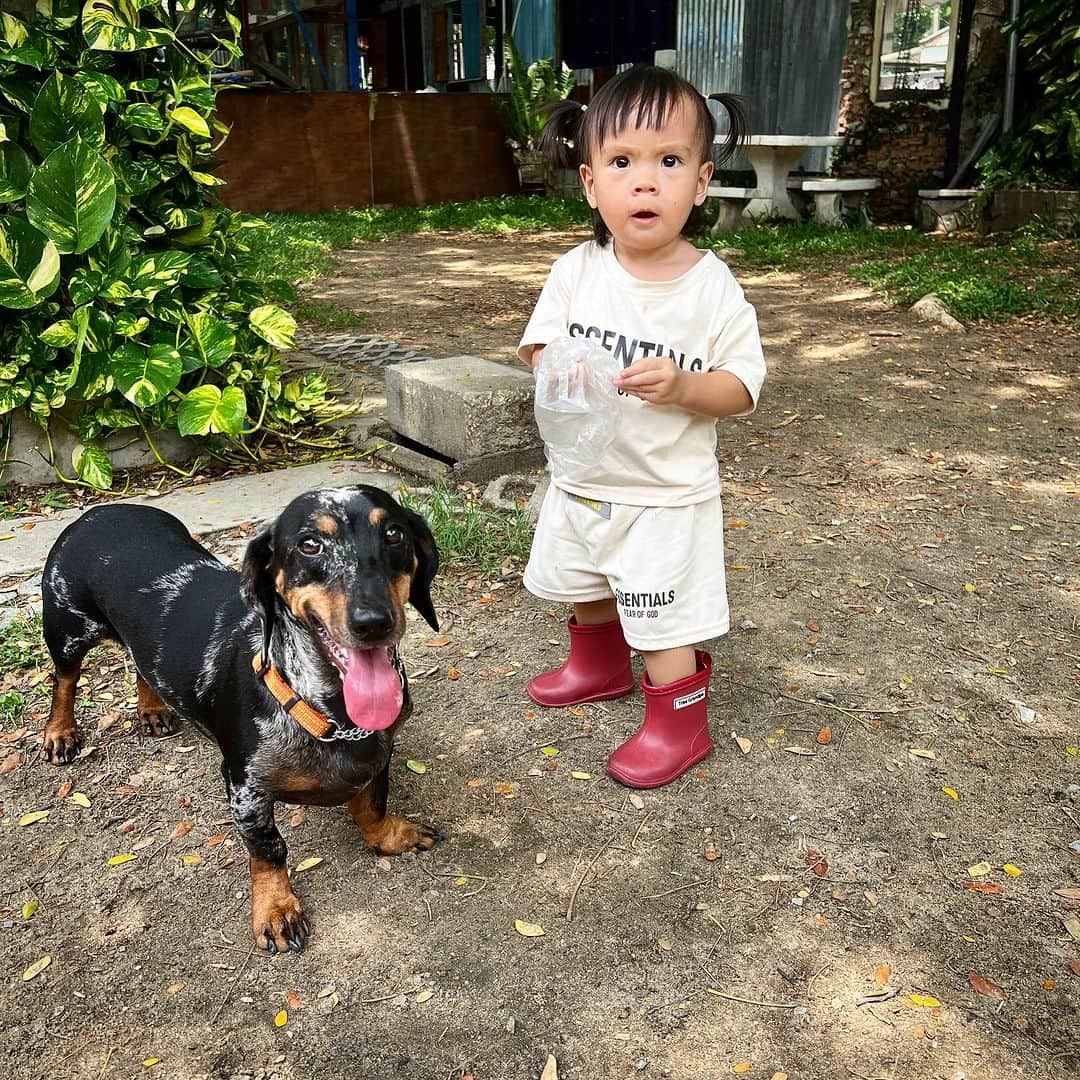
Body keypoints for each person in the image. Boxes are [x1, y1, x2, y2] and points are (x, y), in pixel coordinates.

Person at [518, 65, 767, 789]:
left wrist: (687, 385)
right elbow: (538, 344)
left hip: (664, 494)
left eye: (670, 161)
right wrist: (558, 363)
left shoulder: (710, 286)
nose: (646, 182)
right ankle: (596, 666)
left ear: (703, 179)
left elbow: (742, 387)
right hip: (584, 478)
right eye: (623, 163)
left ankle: (679, 725)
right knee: (584, 580)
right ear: (592, 183)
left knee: (662, 621)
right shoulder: (577, 271)